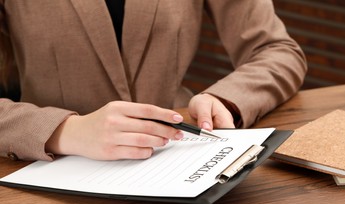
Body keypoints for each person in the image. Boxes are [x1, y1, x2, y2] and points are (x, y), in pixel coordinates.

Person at [0, 1, 307, 162]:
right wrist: (63, 131)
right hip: (48, 169)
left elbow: (277, 50)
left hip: (178, 159)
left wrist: (226, 98)